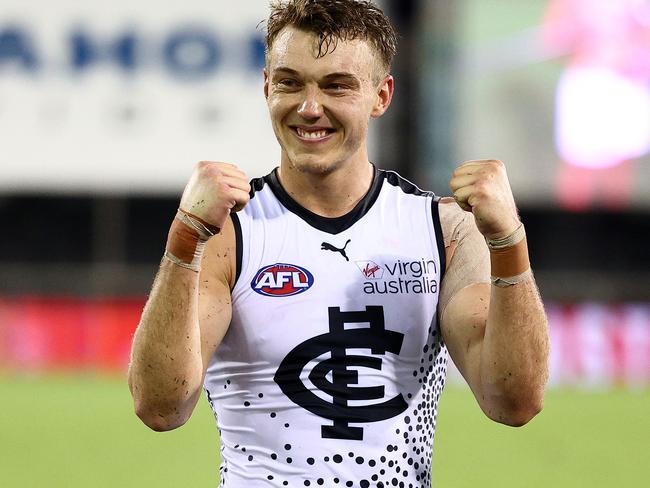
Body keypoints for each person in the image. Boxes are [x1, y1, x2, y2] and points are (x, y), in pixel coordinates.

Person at [128, 1, 549, 486]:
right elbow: (160, 406)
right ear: (266, 87)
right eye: (290, 82)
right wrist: (182, 241)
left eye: (336, 85)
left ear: (381, 95)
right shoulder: (229, 232)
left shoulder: (445, 230)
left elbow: (513, 402)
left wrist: (508, 240)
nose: (309, 107)